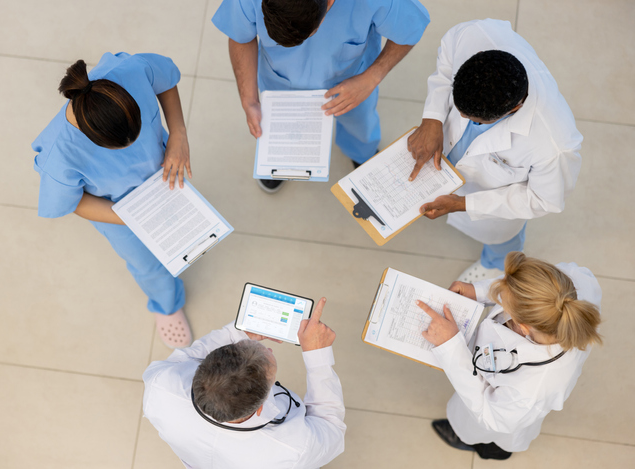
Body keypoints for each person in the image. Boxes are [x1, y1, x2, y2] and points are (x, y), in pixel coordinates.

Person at [32, 52, 194, 348]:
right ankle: (166, 305)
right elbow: (73, 203)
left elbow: (166, 81)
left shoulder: (131, 70)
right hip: (118, 214)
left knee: (185, 234)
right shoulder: (60, 155)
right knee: (149, 266)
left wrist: (178, 135)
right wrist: (132, 216)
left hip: (164, 180)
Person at [406, 19, 583, 282]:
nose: (460, 117)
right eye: (458, 109)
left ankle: (495, 264)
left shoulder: (554, 144)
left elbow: (544, 200)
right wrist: (433, 119)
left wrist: (463, 204)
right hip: (451, 163)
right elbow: (445, 65)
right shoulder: (476, 36)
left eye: (475, 120)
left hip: (493, 203)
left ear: (514, 109)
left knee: (502, 240)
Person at [213, 0, 430, 193]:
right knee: (282, 132)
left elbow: (410, 29)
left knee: (360, 126)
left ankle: (361, 154)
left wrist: (372, 77)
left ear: (329, 3)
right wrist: (249, 99)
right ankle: (281, 161)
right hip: (280, 82)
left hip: (352, 80)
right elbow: (241, 36)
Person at [417, 252, 602, 460]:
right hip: (505, 392)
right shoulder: (569, 287)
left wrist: (451, 346)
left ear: (522, 327)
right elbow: (523, 288)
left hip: (502, 421)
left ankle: (491, 451)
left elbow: (490, 416)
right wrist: (478, 291)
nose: (500, 294)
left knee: (491, 440)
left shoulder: (533, 388)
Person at [142, 298, 346, 468]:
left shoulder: (162, 385)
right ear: (259, 409)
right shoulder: (293, 449)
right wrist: (318, 357)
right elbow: (330, 427)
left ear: (200, 368)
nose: (269, 350)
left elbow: (187, 357)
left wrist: (239, 333)